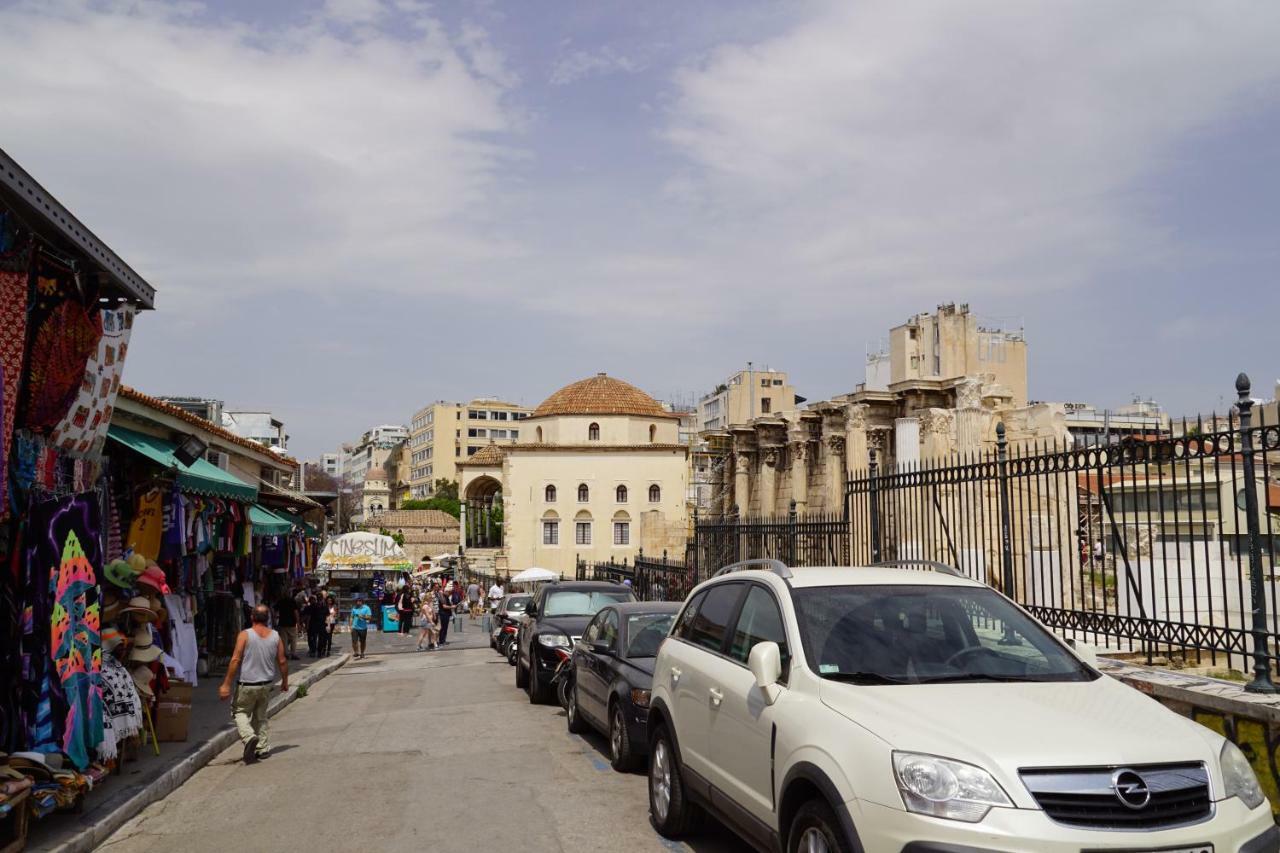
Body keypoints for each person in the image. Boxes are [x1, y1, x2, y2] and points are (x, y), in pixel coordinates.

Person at [219, 604, 287, 763]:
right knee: (261, 716)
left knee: (239, 712)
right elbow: (282, 661)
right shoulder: (276, 636)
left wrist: (226, 684)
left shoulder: (245, 635)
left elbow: (235, 659)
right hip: (266, 685)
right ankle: (262, 748)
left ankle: (249, 737)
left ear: (251, 617)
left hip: (247, 684)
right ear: (268, 618)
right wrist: (285, 681)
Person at [274, 591, 300, 661]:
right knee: (293, 639)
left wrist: (275, 619)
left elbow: (275, 611)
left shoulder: (280, 601)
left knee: (284, 640)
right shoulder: (292, 601)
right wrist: (298, 622)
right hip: (292, 623)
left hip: (282, 623)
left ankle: (286, 654)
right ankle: (293, 653)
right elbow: (296, 612)